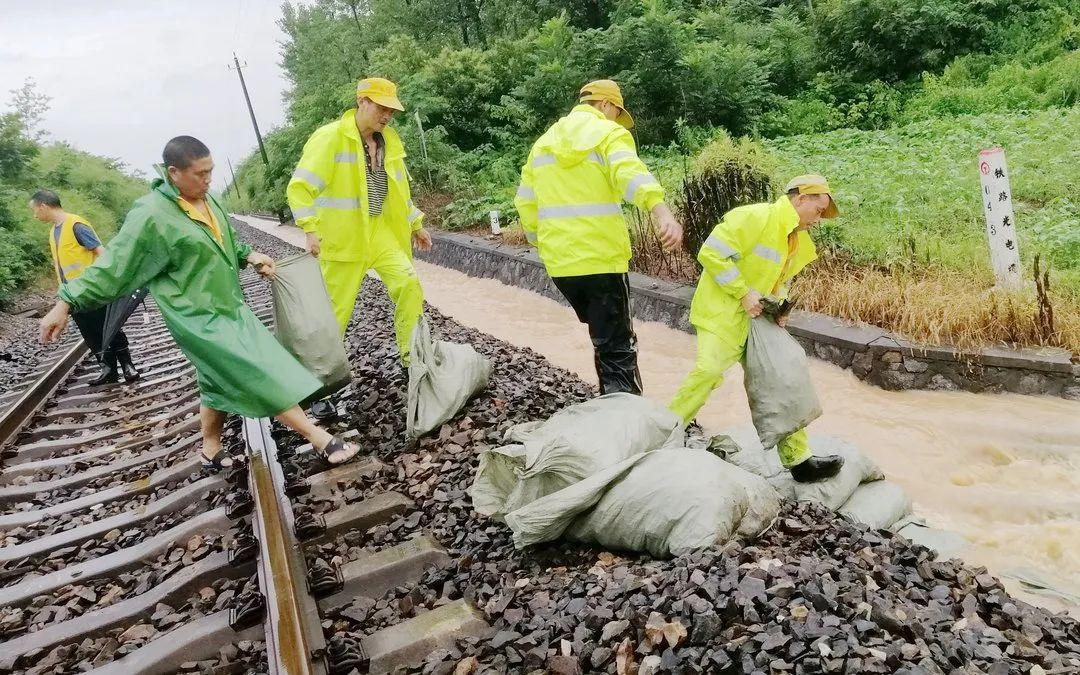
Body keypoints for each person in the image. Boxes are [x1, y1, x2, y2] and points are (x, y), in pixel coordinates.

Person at [40, 136, 361, 470]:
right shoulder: (151, 215)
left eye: (210, 172)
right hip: (194, 315)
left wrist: (249, 255)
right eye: (199, 174)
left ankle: (210, 446)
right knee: (256, 368)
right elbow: (114, 265)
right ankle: (319, 438)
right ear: (173, 173)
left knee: (215, 377)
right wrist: (66, 301)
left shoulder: (209, 199)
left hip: (228, 306)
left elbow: (225, 240)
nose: (207, 180)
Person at [668, 175, 845, 483]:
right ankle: (664, 431)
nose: (819, 220)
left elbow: (778, 280)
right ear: (800, 199)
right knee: (708, 371)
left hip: (758, 318)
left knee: (782, 377)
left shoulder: (796, 240)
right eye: (818, 211)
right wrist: (742, 292)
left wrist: (781, 307)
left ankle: (799, 461)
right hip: (723, 312)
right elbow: (710, 253)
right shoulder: (754, 217)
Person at [514, 79, 683, 396]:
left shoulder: (542, 144)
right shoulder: (608, 134)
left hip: (562, 267)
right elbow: (630, 174)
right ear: (605, 105)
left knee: (603, 336)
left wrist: (545, 243)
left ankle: (613, 403)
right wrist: (661, 211)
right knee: (617, 346)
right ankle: (625, 419)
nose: (617, 121)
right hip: (601, 260)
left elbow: (525, 202)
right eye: (617, 113)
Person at [287, 77, 431, 420]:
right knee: (335, 315)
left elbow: (399, 192)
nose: (387, 116)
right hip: (342, 240)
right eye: (382, 108)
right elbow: (300, 188)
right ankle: (320, 388)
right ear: (362, 101)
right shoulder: (330, 138)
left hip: (380, 233)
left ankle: (412, 360)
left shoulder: (389, 142)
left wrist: (416, 224)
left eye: (391, 111)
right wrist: (310, 230)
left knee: (409, 283)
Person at [29, 190, 140, 386]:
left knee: (110, 327)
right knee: (90, 333)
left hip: (93, 289)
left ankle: (127, 366)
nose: (34, 215)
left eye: (35, 210)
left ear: (43, 206)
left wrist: (109, 281)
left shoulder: (75, 225)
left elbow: (102, 252)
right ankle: (108, 370)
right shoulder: (54, 231)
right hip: (74, 295)